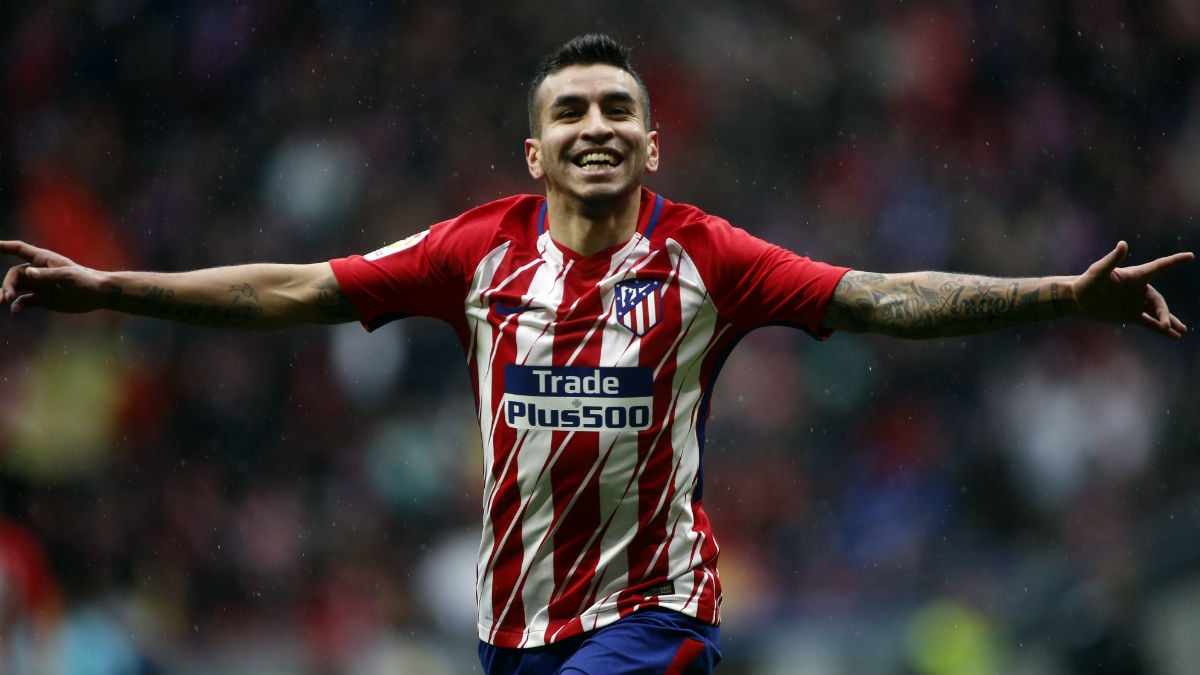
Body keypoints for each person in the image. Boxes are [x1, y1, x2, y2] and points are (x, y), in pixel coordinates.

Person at [1, 33, 1193, 675]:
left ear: (652, 141)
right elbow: (291, 288)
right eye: (570, 111)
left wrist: (1056, 295)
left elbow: (884, 295)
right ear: (534, 151)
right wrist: (113, 285)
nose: (595, 127)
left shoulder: (707, 259)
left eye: (617, 108)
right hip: (508, 634)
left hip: (655, 618)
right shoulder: (474, 254)